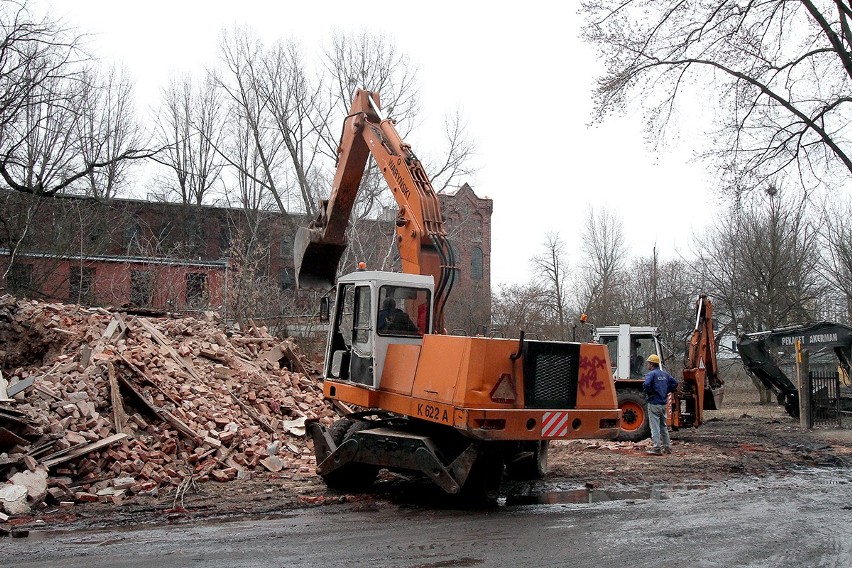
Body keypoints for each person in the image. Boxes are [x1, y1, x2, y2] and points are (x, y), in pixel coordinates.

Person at [642, 353, 679, 455]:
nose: (647, 365)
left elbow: (646, 384)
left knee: (655, 427)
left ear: (651, 364)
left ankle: (657, 448)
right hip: (663, 403)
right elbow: (675, 383)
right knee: (663, 426)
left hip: (654, 403)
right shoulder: (665, 374)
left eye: (648, 363)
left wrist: (650, 393)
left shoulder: (651, 374)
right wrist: (667, 391)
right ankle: (667, 448)